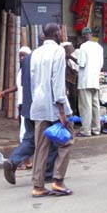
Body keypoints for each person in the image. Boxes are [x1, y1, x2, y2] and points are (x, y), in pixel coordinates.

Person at [0, 46, 58, 184]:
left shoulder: (27, 60)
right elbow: (54, 85)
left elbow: (23, 86)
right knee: (53, 140)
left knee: (30, 139)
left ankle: (13, 161)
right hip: (45, 107)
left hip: (28, 106)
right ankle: (47, 174)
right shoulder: (52, 57)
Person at [29, 23, 74, 197]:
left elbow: (33, 81)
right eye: (60, 33)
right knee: (66, 141)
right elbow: (57, 82)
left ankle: (38, 186)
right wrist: (62, 111)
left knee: (41, 146)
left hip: (39, 103)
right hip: (55, 104)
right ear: (56, 34)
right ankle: (58, 181)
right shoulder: (58, 51)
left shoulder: (36, 53)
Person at [75, 27, 104, 137]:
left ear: (83, 36)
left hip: (85, 81)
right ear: (91, 35)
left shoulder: (83, 47)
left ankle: (86, 130)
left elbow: (82, 63)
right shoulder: (99, 47)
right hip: (95, 80)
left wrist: (75, 58)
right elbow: (101, 65)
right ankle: (96, 129)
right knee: (95, 106)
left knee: (85, 107)